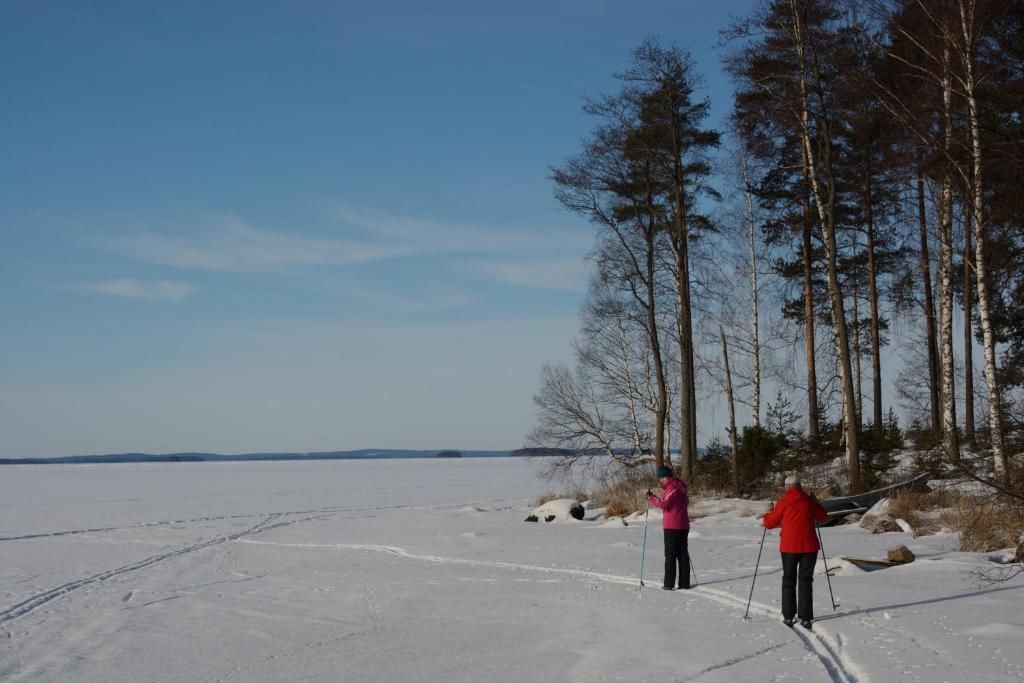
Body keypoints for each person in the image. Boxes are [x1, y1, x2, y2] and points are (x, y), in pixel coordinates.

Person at [762, 474, 829, 628]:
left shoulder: (783, 502)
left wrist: (767, 514)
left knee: (789, 580)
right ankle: (805, 618)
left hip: (789, 547)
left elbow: (769, 523)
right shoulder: (808, 501)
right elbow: (823, 517)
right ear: (800, 486)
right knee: (805, 580)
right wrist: (816, 502)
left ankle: (788, 616)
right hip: (809, 547)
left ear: (787, 487)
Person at [647, 466, 690, 590]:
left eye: (664, 477)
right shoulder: (681, 487)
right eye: (660, 477)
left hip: (672, 526)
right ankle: (684, 583)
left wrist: (651, 498)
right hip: (683, 525)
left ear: (670, 477)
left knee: (670, 554)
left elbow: (664, 504)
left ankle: (668, 584)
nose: (662, 480)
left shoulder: (673, 488)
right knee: (682, 553)